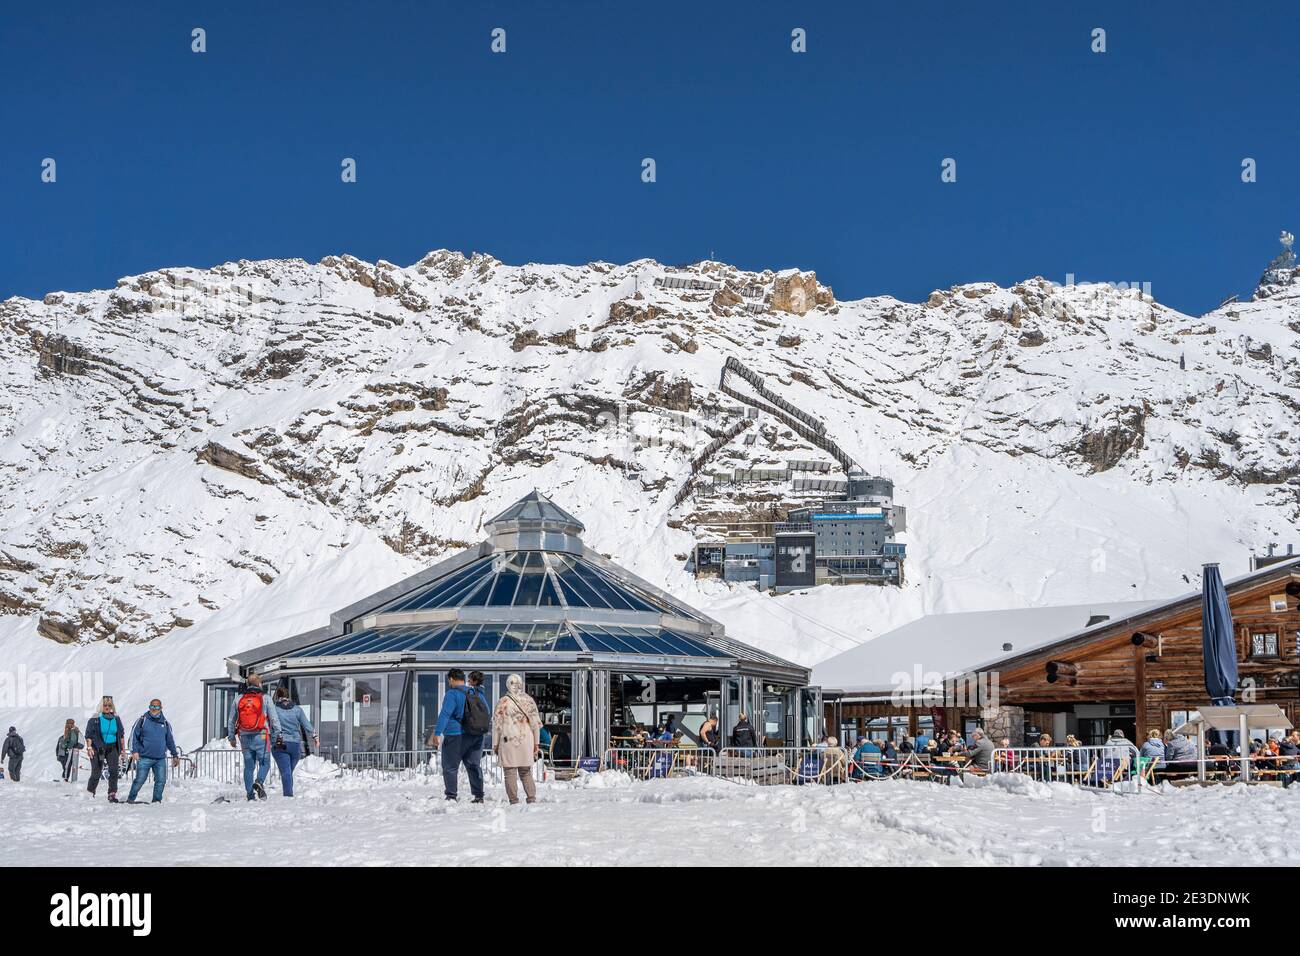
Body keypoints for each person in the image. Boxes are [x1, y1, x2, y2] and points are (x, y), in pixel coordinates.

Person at [432, 668, 490, 802]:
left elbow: (445, 714)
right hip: (476, 735)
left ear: (451, 679)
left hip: (455, 735)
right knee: (474, 765)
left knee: (450, 766)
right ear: (464, 679)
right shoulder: (476, 692)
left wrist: (437, 733)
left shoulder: (452, 694)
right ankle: (478, 795)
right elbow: (486, 712)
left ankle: (451, 795)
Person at [227, 674, 282, 801]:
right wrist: (278, 734)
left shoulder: (239, 699)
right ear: (259, 684)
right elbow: (274, 718)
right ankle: (259, 781)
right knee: (265, 763)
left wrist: (231, 737)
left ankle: (250, 795)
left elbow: (231, 720)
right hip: (261, 735)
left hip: (245, 736)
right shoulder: (266, 698)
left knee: (249, 766)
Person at [493, 673, 541, 805]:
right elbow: (535, 724)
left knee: (510, 772)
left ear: (508, 684)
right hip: (526, 740)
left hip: (508, 740)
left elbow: (497, 726)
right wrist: (536, 743)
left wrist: (495, 744)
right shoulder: (529, 700)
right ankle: (531, 798)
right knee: (526, 772)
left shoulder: (503, 702)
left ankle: (513, 800)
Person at [127, 699, 181, 803]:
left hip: (160, 758)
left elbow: (170, 741)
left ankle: (156, 801)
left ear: (161, 708)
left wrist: (175, 755)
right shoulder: (142, 720)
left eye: (156, 707)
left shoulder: (165, 723)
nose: (154, 709)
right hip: (144, 757)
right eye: (152, 706)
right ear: (149, 707)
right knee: (139, 780)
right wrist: (134, 751)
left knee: (160, 781)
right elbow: (133, 736)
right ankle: (130, 799)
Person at [270, 686, 317, 798]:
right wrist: (315, 736)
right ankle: (288, 793)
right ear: (288, 696)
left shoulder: (273, 709)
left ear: (277, 696)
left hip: (280, 744)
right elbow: (306, 724)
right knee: (288, 772)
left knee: (286, 772)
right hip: (295, 746)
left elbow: (267, 725)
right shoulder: (297, 709)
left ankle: (288, 796)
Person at [85, 697, 126, 800]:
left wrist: (123, 750)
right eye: (105, 705)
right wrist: (89, 747)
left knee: (114, 770)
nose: (107, 707)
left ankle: (112, 793)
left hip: (112, 747)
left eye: (109, 705)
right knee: (96, 772)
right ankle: (90, 791)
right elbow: (89, 735)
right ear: (101, 706)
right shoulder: (95, 719)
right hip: (97, 747)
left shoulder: (116, 719)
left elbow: (121, 735)